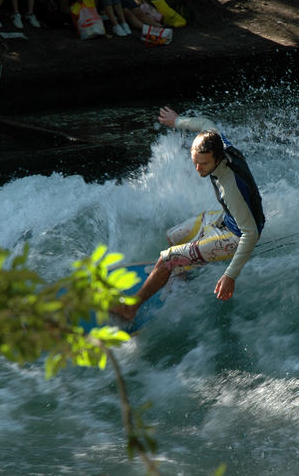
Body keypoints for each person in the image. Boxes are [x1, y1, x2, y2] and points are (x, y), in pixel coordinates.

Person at [113, 107, 265, 320]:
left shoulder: (230, 188)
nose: (198, 169)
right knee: (173, 236)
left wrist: (230, 276)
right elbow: (205, 123)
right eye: (195, 162)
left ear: (217, 158)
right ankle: (180, 279)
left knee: (167, 259)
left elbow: (250, 234)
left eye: (204, 164)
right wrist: (177, 121)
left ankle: (130, 309)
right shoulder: (217, 141)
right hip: (227, 217)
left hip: (236, 236)